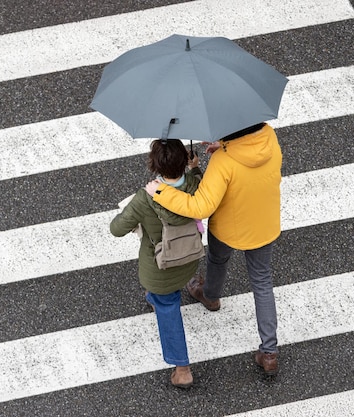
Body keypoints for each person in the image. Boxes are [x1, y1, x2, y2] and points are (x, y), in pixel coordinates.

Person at [145, 122, 282, 376]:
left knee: (218, 259)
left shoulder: (224, 161)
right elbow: (248, 152)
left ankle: (210, 294)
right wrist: (227, 146)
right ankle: (270, 351)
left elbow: (201, 207)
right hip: (264, 222)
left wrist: (162, 192)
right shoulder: (269, 138)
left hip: (230, 225)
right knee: (262, 282)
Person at [110, 139, 202, 388]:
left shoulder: (145, 197)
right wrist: (195, 168)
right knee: (169, 290)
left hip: (161, 266)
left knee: (167, 304)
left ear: (154, 165)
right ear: (184, 161)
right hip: (189, 256)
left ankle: (182, 368)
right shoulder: (196, 185)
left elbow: (116, 229)